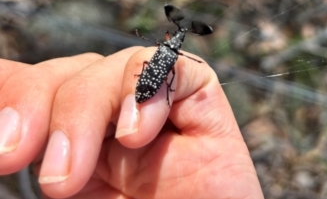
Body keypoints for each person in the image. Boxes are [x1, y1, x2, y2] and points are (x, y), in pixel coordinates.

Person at [0, 46, 264, 198]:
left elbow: (161, 72)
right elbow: (164, 76)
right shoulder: (170, 58)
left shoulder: (166, 56)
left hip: (146, 85)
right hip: (146, 86)